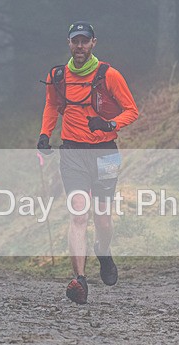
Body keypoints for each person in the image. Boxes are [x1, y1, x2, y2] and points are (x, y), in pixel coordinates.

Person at [37, 21, 139, 304]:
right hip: (72, 152)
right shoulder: (57, 76)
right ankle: (79, 280)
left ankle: (103, 251)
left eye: (85, 41)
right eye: (75, 41)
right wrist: (45, 134)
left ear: (94, 43)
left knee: (102, 218)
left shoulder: (109, 75)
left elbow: (132, 110)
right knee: (79, 214)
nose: (79, 46)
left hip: (105, 153)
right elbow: (51, 106)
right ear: (69, 43)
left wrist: (109, 124)